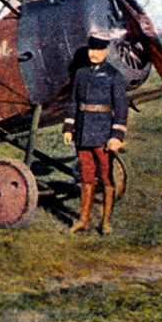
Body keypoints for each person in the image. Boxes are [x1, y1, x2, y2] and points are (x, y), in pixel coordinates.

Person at [63, 32, 128, 235]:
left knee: (107, 178)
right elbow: (73, 101)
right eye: (92, 49)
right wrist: (68, 127)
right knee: (86, 176)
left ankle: (106, 222)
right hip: (82, 132)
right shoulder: (81, 73)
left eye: (99, 50)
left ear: (106, 51)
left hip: (103, 132)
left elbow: (121, 109)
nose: (94, 54)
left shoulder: (114, 76)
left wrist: (116, 136)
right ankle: (83, 220)